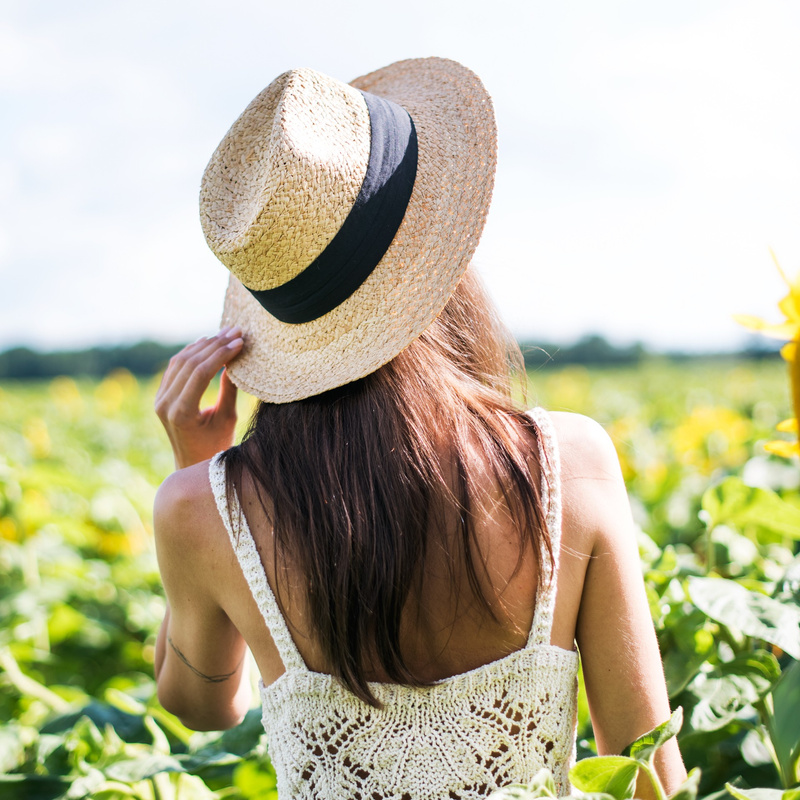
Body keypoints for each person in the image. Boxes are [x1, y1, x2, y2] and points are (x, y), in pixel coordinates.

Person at [152, 58, 686, 799]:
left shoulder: (199, 510)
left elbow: (204, 705)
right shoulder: (570, 463)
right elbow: (647, 774)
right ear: (441, 254)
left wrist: (196, 469)